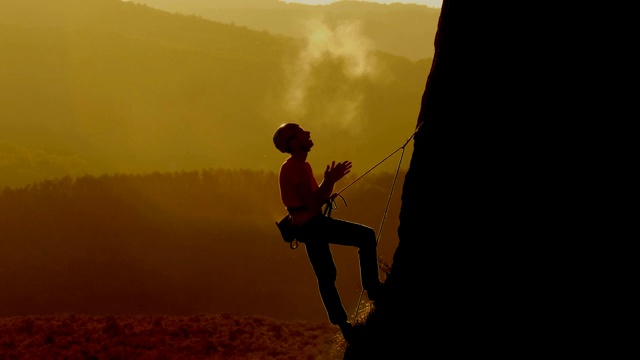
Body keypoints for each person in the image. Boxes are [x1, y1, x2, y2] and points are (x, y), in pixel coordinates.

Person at [273, 122, 382, 342]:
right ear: (293, 142)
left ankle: (345, 326)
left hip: (309, 227)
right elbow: (313, 204)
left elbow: (316, 199)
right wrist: (329, 181)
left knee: (326, 274)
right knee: (365, 237)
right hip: (312, 226)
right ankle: (373, 290)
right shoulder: (295, 167)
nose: (308, 133)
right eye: (301, 132)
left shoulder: (299, 166)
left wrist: (328, 184)